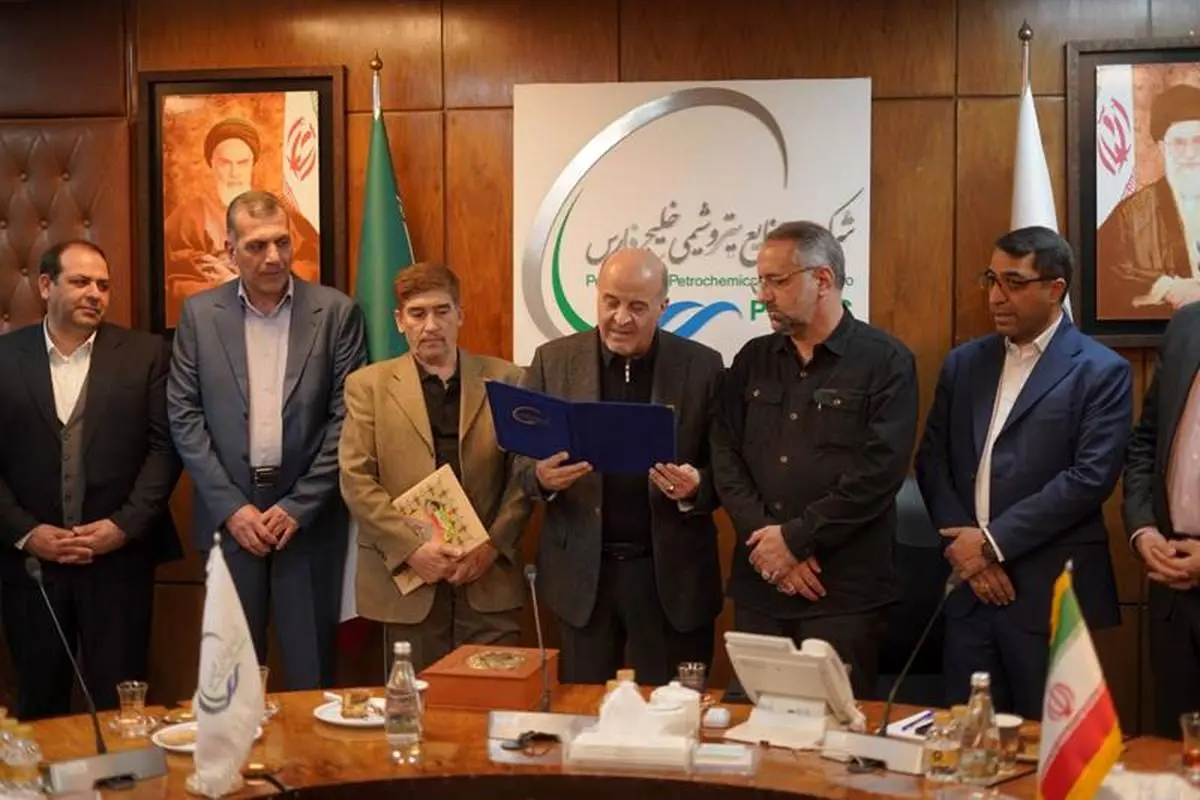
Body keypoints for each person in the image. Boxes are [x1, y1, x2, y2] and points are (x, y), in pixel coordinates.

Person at [916, 226, 1130, 721]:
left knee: (1046, 747)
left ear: (1055, 289)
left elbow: (1089, 478)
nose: (996, 296)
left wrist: (992, 543)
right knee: (968, 735)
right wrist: (969, 551)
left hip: (1049, 595)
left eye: (1013, 283)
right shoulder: (965, 364)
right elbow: (931, 460)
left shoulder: (1101, 370)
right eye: (991, 280)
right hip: (970, 590)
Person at [167, 189, 366, 690]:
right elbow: (184, 416)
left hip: (308, 521)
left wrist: (298, 506)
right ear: (230, 249)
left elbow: (348, 419)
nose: (273, 256)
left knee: (311, 675)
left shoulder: (336, 313)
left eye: (281, 241)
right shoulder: (199, 315)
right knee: (231, 679)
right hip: (229, 519)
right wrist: (232, 508)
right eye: (256, 246)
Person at [711, 220, 917, 701]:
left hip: (840, 593)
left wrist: (795, 540)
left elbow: (877, 475)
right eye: (761, 281)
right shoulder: (753, 359)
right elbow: (725, 455)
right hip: (761, 585)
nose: (764, 295)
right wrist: (769, 544)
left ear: (822, 279)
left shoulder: (886, 362)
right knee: (752, 726)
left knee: (836, 726)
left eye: (777, 281)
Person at [516, 248, 724, 686]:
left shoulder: (703, 367)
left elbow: (728, 468)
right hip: (582, 579)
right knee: (583, 710)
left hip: (671, 578)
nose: (621, 318)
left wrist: (696, 487)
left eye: (637, 306)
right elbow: (519, 461)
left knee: (672, 713)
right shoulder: (553, 361)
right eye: (610, 302)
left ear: (663, 306)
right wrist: (540, 477)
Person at [0, 240, 182, 719]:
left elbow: (165, 451)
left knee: (122, 705)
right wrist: (26, 532)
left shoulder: (146, 354)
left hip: (118, 563)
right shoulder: (4, 357)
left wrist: (122, 527)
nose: (95, 293)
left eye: (103, 284)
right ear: (46, 286)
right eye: (81, 282)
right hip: (30, 567)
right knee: (39, 704)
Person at [339, 262, 532, 673]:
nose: (431, 325)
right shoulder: (368, 386)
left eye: (442, 311)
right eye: (417, 313)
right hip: (409, 583)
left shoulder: (507, 380)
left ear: (460, 315)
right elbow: (356, 479)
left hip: (487, 578)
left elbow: (523, 476)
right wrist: (411, 549)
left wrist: (492, 544)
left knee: (491, 700)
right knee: (417, 701)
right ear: (400, 321)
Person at [1124, 299, 1200, 738]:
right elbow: (1145, 441)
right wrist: (1143, 528)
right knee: (1174, 755)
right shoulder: (1188, 324)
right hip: (1171, 592)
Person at [163, 117, 320, 327]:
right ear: (212, 164)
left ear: (253, 164)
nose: (234, 173)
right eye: (225, 163)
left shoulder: (280, 213)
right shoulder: (186, 217)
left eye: (242, 163)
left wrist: (255, 278)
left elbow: (311, 265)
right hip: (216, 323)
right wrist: (221, 284)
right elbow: (172, 284)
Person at [1096, 84, 1200, 318]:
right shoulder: (1130, 215)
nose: (1190, 154)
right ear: (1162, 148)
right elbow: (1108, 274)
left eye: (1198, 141)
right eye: (1179, 143)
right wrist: (1168, 288)